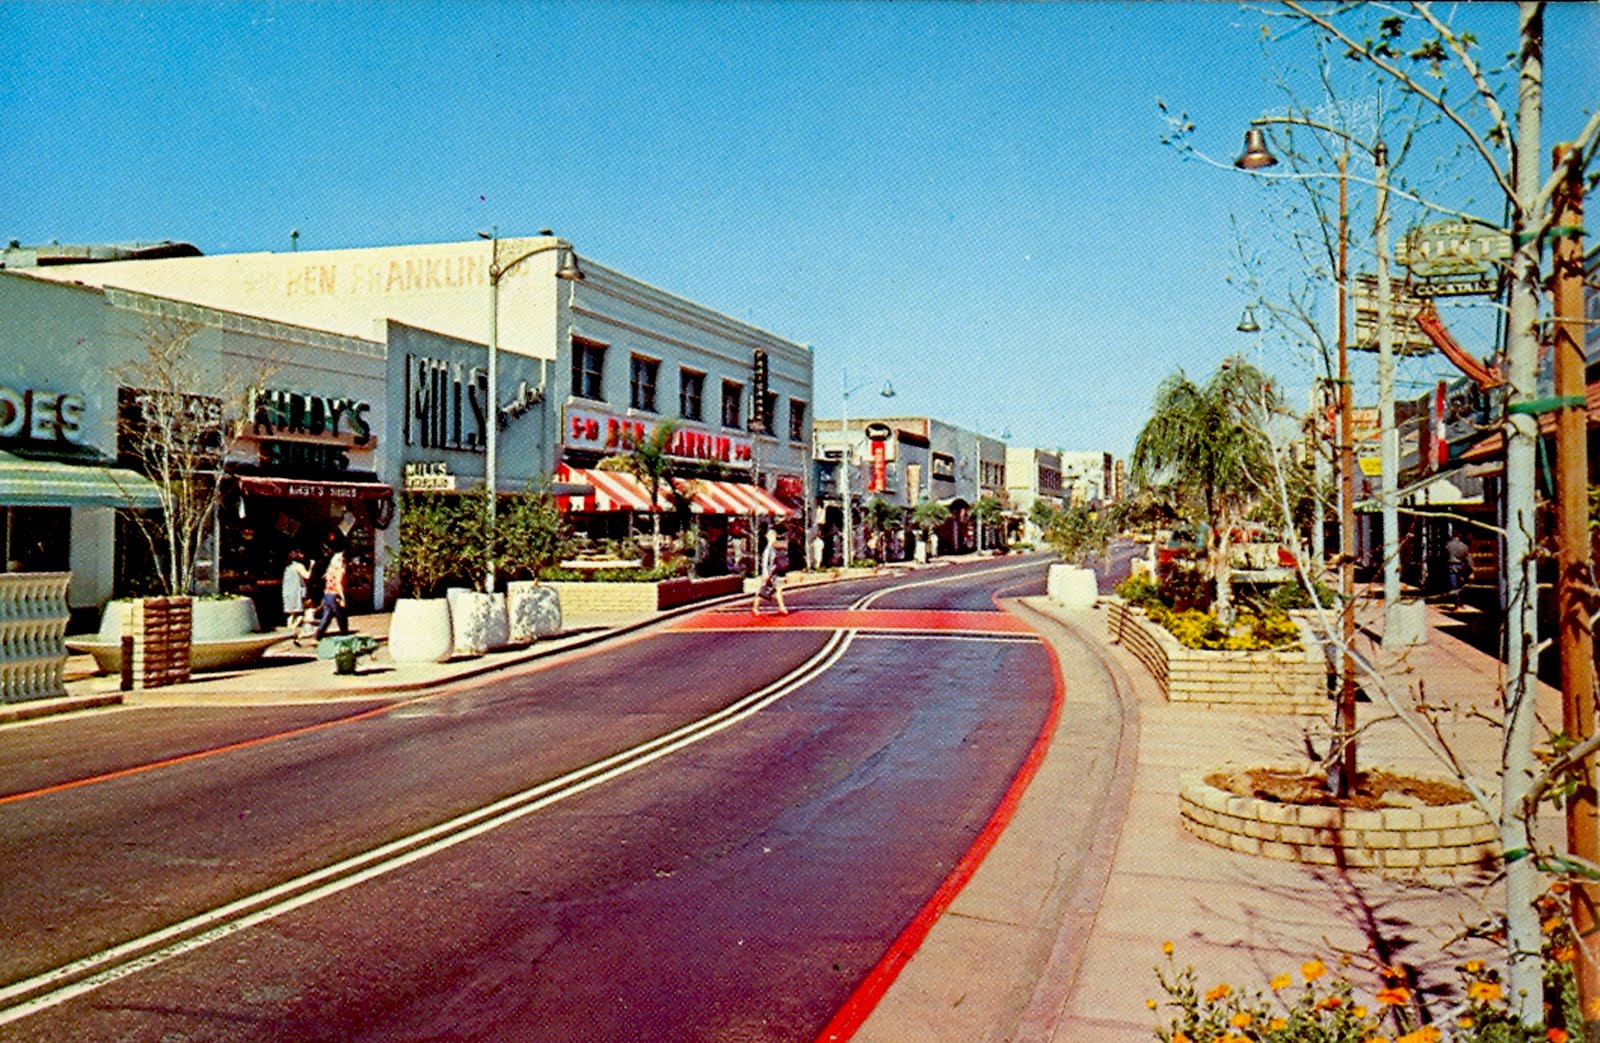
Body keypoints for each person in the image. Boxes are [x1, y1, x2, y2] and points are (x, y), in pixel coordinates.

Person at [751, 530, 790, 616]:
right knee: (762, 591)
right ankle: (755, 607)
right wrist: (766, 573)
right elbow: (765, 562)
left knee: (778, 589)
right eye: (773, 536)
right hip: (769, 573)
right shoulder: (768, 549)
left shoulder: (772, 549)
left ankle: (782, 607)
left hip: (773, 573)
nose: (774, 538)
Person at [314, 548, 350, 638]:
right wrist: (343, 597)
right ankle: (344, 632)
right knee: (341, 615)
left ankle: (319, 632)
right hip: (335, 595)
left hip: (327, 594)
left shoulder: (330, 570)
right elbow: (339, 584)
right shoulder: (340, 571)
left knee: (327, 615)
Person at [281, 549, 314, 644]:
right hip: (297, 593)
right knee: (301, 614)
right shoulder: (299, 566)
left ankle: (289, 632)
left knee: (291, 614)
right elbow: (307, 576)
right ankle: (292, 631)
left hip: (288, 593)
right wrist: (312, 567)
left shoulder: (288, 567)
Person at [1445, 531, 1472, 609]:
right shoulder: (1464, 546)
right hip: (1461, 566)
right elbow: (1468, 557)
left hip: (1451, 565)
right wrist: (1471, 569)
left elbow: (1445, 555)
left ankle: (1456, 602)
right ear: (1459, 536)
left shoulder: (1448, 545)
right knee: (1461, 585)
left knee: (1454, 585)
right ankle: (1461, 602)